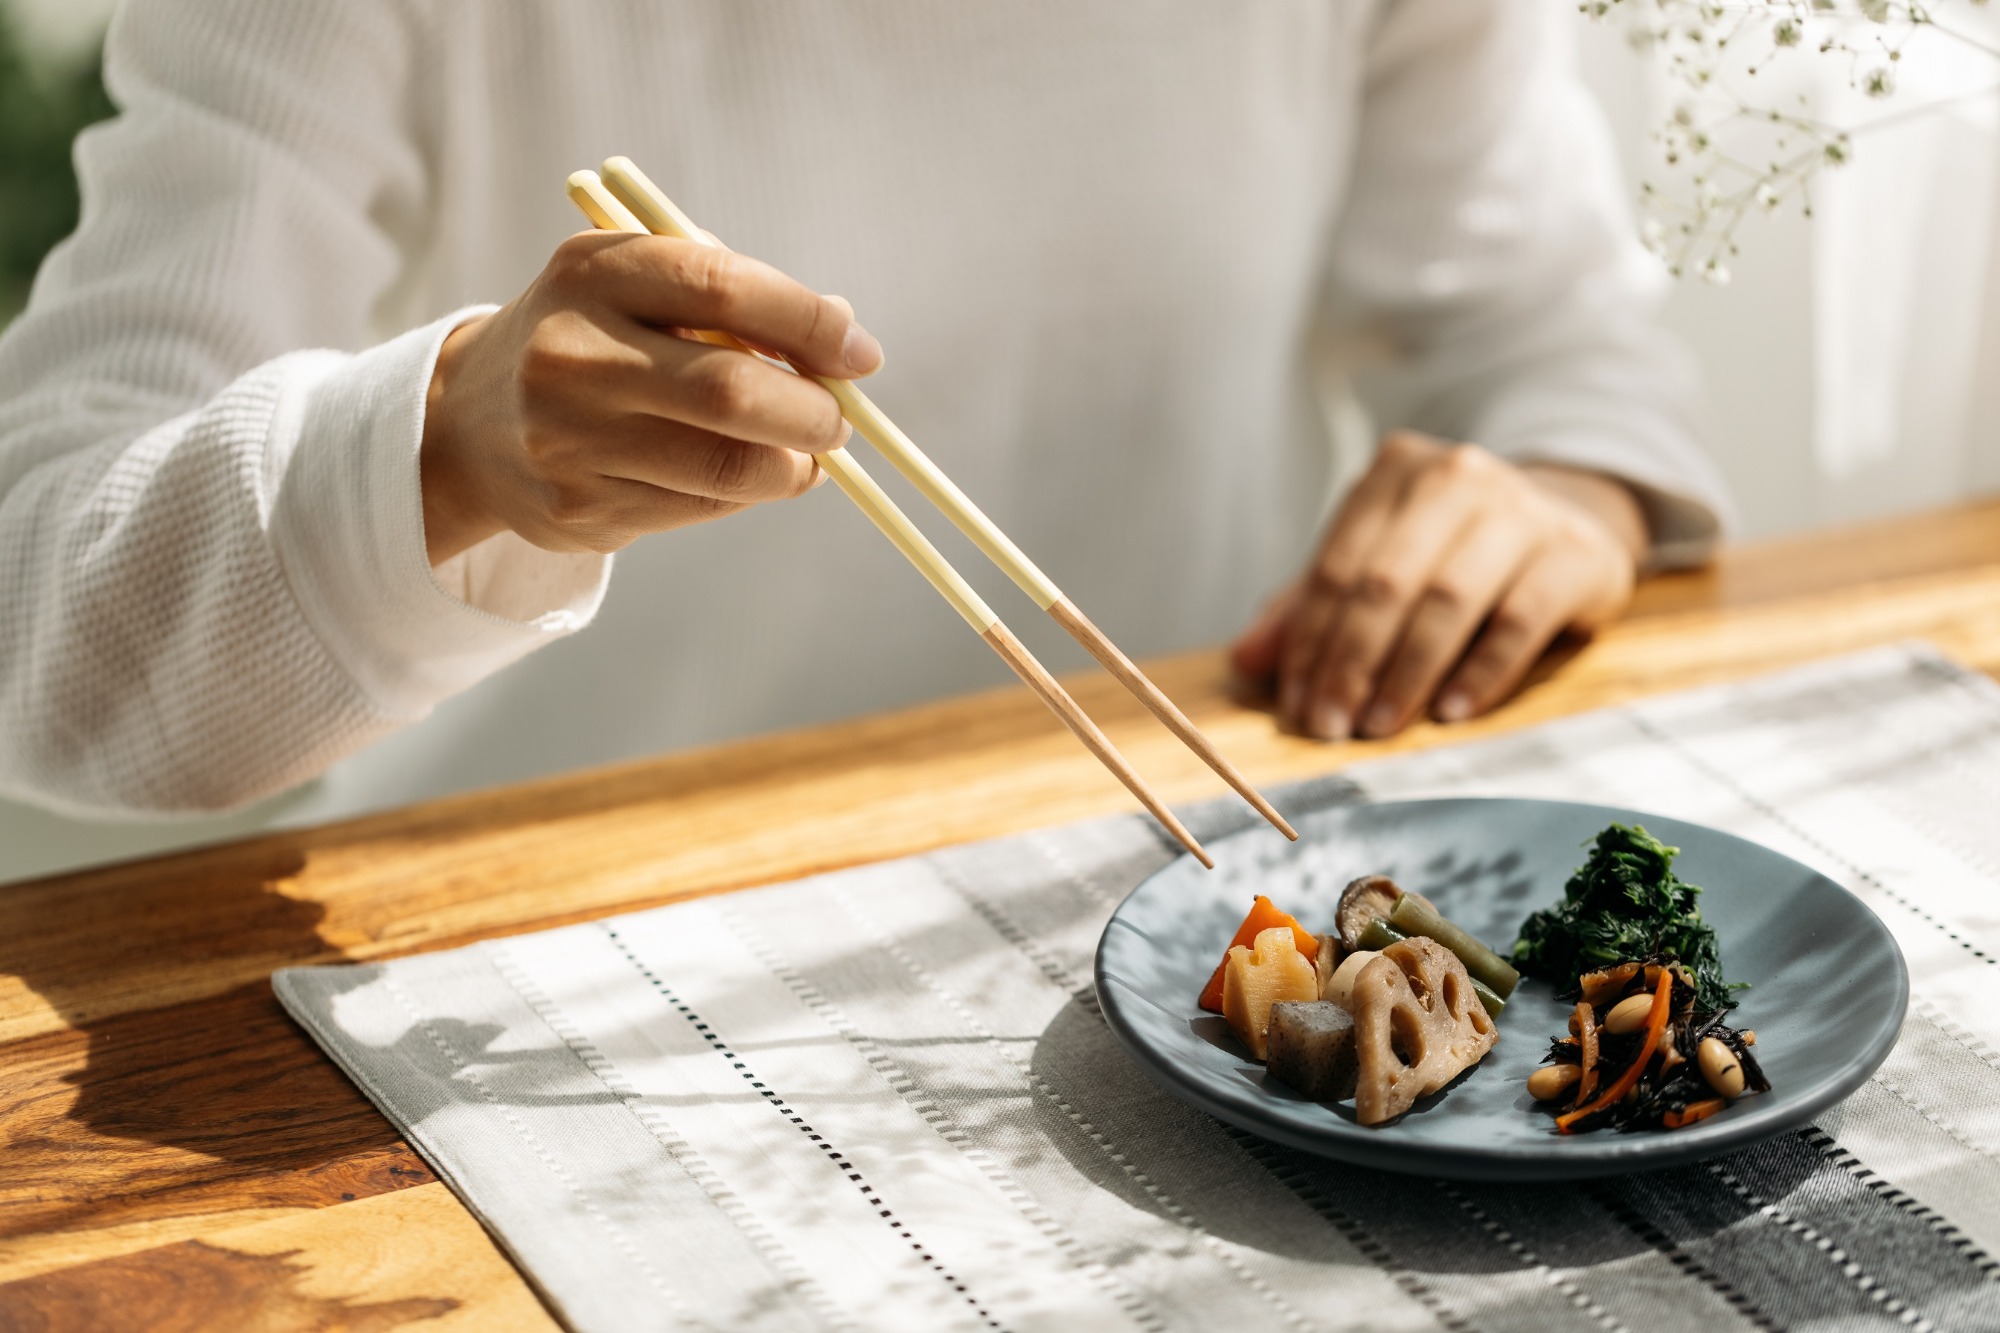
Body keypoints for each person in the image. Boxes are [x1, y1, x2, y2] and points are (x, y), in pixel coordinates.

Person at [0, 0, 1726, 840]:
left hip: (1200, 873)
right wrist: (447, 442)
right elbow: (44, 626)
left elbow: (1552, 335)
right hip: (548, 958)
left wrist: (1565, 489)